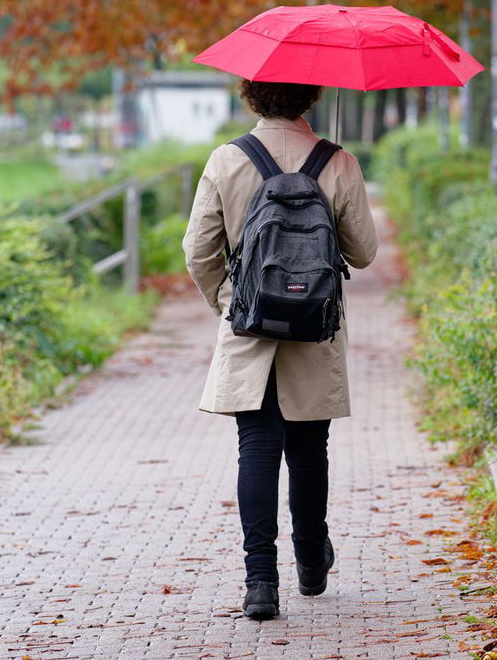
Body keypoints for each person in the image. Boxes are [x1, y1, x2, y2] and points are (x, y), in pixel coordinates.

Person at [182, 79, 378, 621]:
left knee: (258, 448)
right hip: (314, 326)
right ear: (311, 96)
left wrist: (230, 301)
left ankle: (260, 581)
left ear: (252, 95)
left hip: (251, 328)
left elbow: (198, 250)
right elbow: (363, 253)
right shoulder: (337, 161)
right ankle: (312, 562)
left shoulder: (227, 160)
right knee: (310, 450)